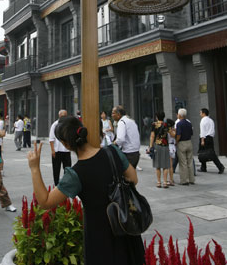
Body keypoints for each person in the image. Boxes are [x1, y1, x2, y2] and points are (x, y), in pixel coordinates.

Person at [27, 116, 145, 265]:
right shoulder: (112, 152)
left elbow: (45, 202)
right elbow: (134, 179)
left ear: (65, 144)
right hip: (127, 228)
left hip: (100, 238)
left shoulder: (75, 174)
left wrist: (34, 168)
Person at [147, 112, 171, 188]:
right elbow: (172, 134)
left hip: (157, 146)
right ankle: (165, 182)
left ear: (157, 117)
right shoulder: (167, 125)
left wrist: (150, 146)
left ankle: (158, 182)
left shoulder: (154, 125)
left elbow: (152, 136)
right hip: (165, 145)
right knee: (165, 165)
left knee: (158, 165)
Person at [198, 108, 225, 174]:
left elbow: (203, 131)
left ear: (204, 113)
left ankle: (219, 166)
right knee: (210, 152)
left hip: (205, 138)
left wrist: (202, 140)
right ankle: (204, 167)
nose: (200, 114)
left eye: (200, 112)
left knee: (203, 153)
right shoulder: (211, 120)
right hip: (210, 138)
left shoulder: (203, 120)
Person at [49, 110, 71, 185]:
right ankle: (56, 184)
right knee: (56, 169)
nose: (64, 117)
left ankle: (66, 184)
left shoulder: (68, 125)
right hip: (57, 151)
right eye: (63, 115)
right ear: (59, 116)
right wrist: (53, 150)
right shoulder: (55, 125)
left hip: (66, 151)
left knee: (67, 169)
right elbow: (51, 139)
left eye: (65, 115)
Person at [176, 108, 195, 185]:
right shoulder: (189, 123)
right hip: (189, 142)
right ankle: (191, 179)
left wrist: (176, 141)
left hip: (182, 143)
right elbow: (191, 133)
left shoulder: (179, 124)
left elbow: (178, 135)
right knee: (190, 162)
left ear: (180, 115)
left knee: (183, 162)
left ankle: (184, 180)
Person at [167, 118, 176, 186]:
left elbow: (173, 135)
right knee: (170, 165)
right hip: (172, 147)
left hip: (170, 147)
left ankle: (171, 180)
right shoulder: (172, 130)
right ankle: (171, 179)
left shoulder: (169, 130)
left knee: (170, 165)